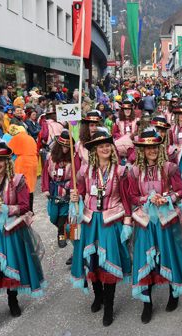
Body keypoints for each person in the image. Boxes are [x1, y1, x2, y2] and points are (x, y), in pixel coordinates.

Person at [0, 139, 45, 336]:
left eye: (1, 160)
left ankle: (13, 300)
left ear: (7, 160)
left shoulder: (18, 180)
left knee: (11, 267)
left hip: (11, 230)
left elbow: (25, 206)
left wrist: (6, 209)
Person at [123, 128, 182, 324]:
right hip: (145, 222)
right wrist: (148, 198)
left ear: (159, 147)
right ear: (142, 150)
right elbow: (132, 196)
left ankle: (174, 293)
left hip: (166, 220)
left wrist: (168, 198)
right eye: (148, 148)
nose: (152, 150)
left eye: (154, 146)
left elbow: (180, 190)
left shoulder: (170, 167)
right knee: (144, 259)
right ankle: (147, 303)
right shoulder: (134, 171)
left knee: (170, 256)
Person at [69, 129, 132, 327]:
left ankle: (110, 306)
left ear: (112, 148)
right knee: (93, 260)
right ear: (94, 150)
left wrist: (128, 220)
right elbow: (79, 190)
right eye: (100, 146)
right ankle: (98, 296)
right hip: (88, 222)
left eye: (107, 145)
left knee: (109, 262)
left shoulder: (121, 171)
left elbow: (126, 198)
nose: (104, 148)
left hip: (110, 221)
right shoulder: (84, 170)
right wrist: (75, 196)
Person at [42, 130, 73, 248]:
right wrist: (45, 188)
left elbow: (77, 176)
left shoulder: (73, 158)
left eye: (67, 146)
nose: (65, 149)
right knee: (53, 216)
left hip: (67, 190)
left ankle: (61, 235)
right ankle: (63, 231)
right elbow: (45, 173)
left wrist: (72, 188)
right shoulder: (50, 157)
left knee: (64, 214)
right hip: (54, 189)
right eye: (63, 146)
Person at [7, 125, 38, 212]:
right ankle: (31, 209)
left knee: (22, 185)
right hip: (33, 161)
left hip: (23, 162)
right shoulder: (30, 138)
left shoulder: (17, 137)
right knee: (31, 186)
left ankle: (25, 208)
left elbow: (8, 151)